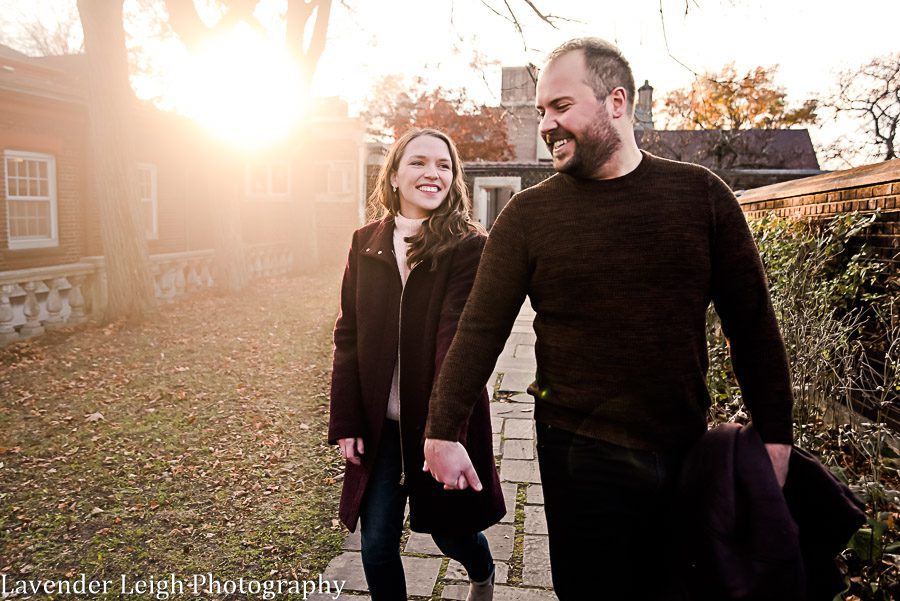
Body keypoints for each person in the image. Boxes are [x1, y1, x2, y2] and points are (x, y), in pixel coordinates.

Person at [423, 38, 794, 599]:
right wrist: (441, 430)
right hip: (578, 451)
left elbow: (753, 328)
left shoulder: (702, 198)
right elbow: (480, 329)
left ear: (617, 103)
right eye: (542, 110)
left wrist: (776, 437)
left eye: (561, 107)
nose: (546, 123)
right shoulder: (528, 216)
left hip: (684, 446)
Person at [328, 128, 505, 601]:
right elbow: (348, 334)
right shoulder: (365, 243)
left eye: (444, 165)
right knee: (377, 544)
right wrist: (347, 419)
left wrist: (443, 431)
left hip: (441, 427)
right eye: (419, 162)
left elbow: (458, 341)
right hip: (380, 427)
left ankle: (483, 572)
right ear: (394, 176)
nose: (433, 173)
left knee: (451, 535)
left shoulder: (468, 246)